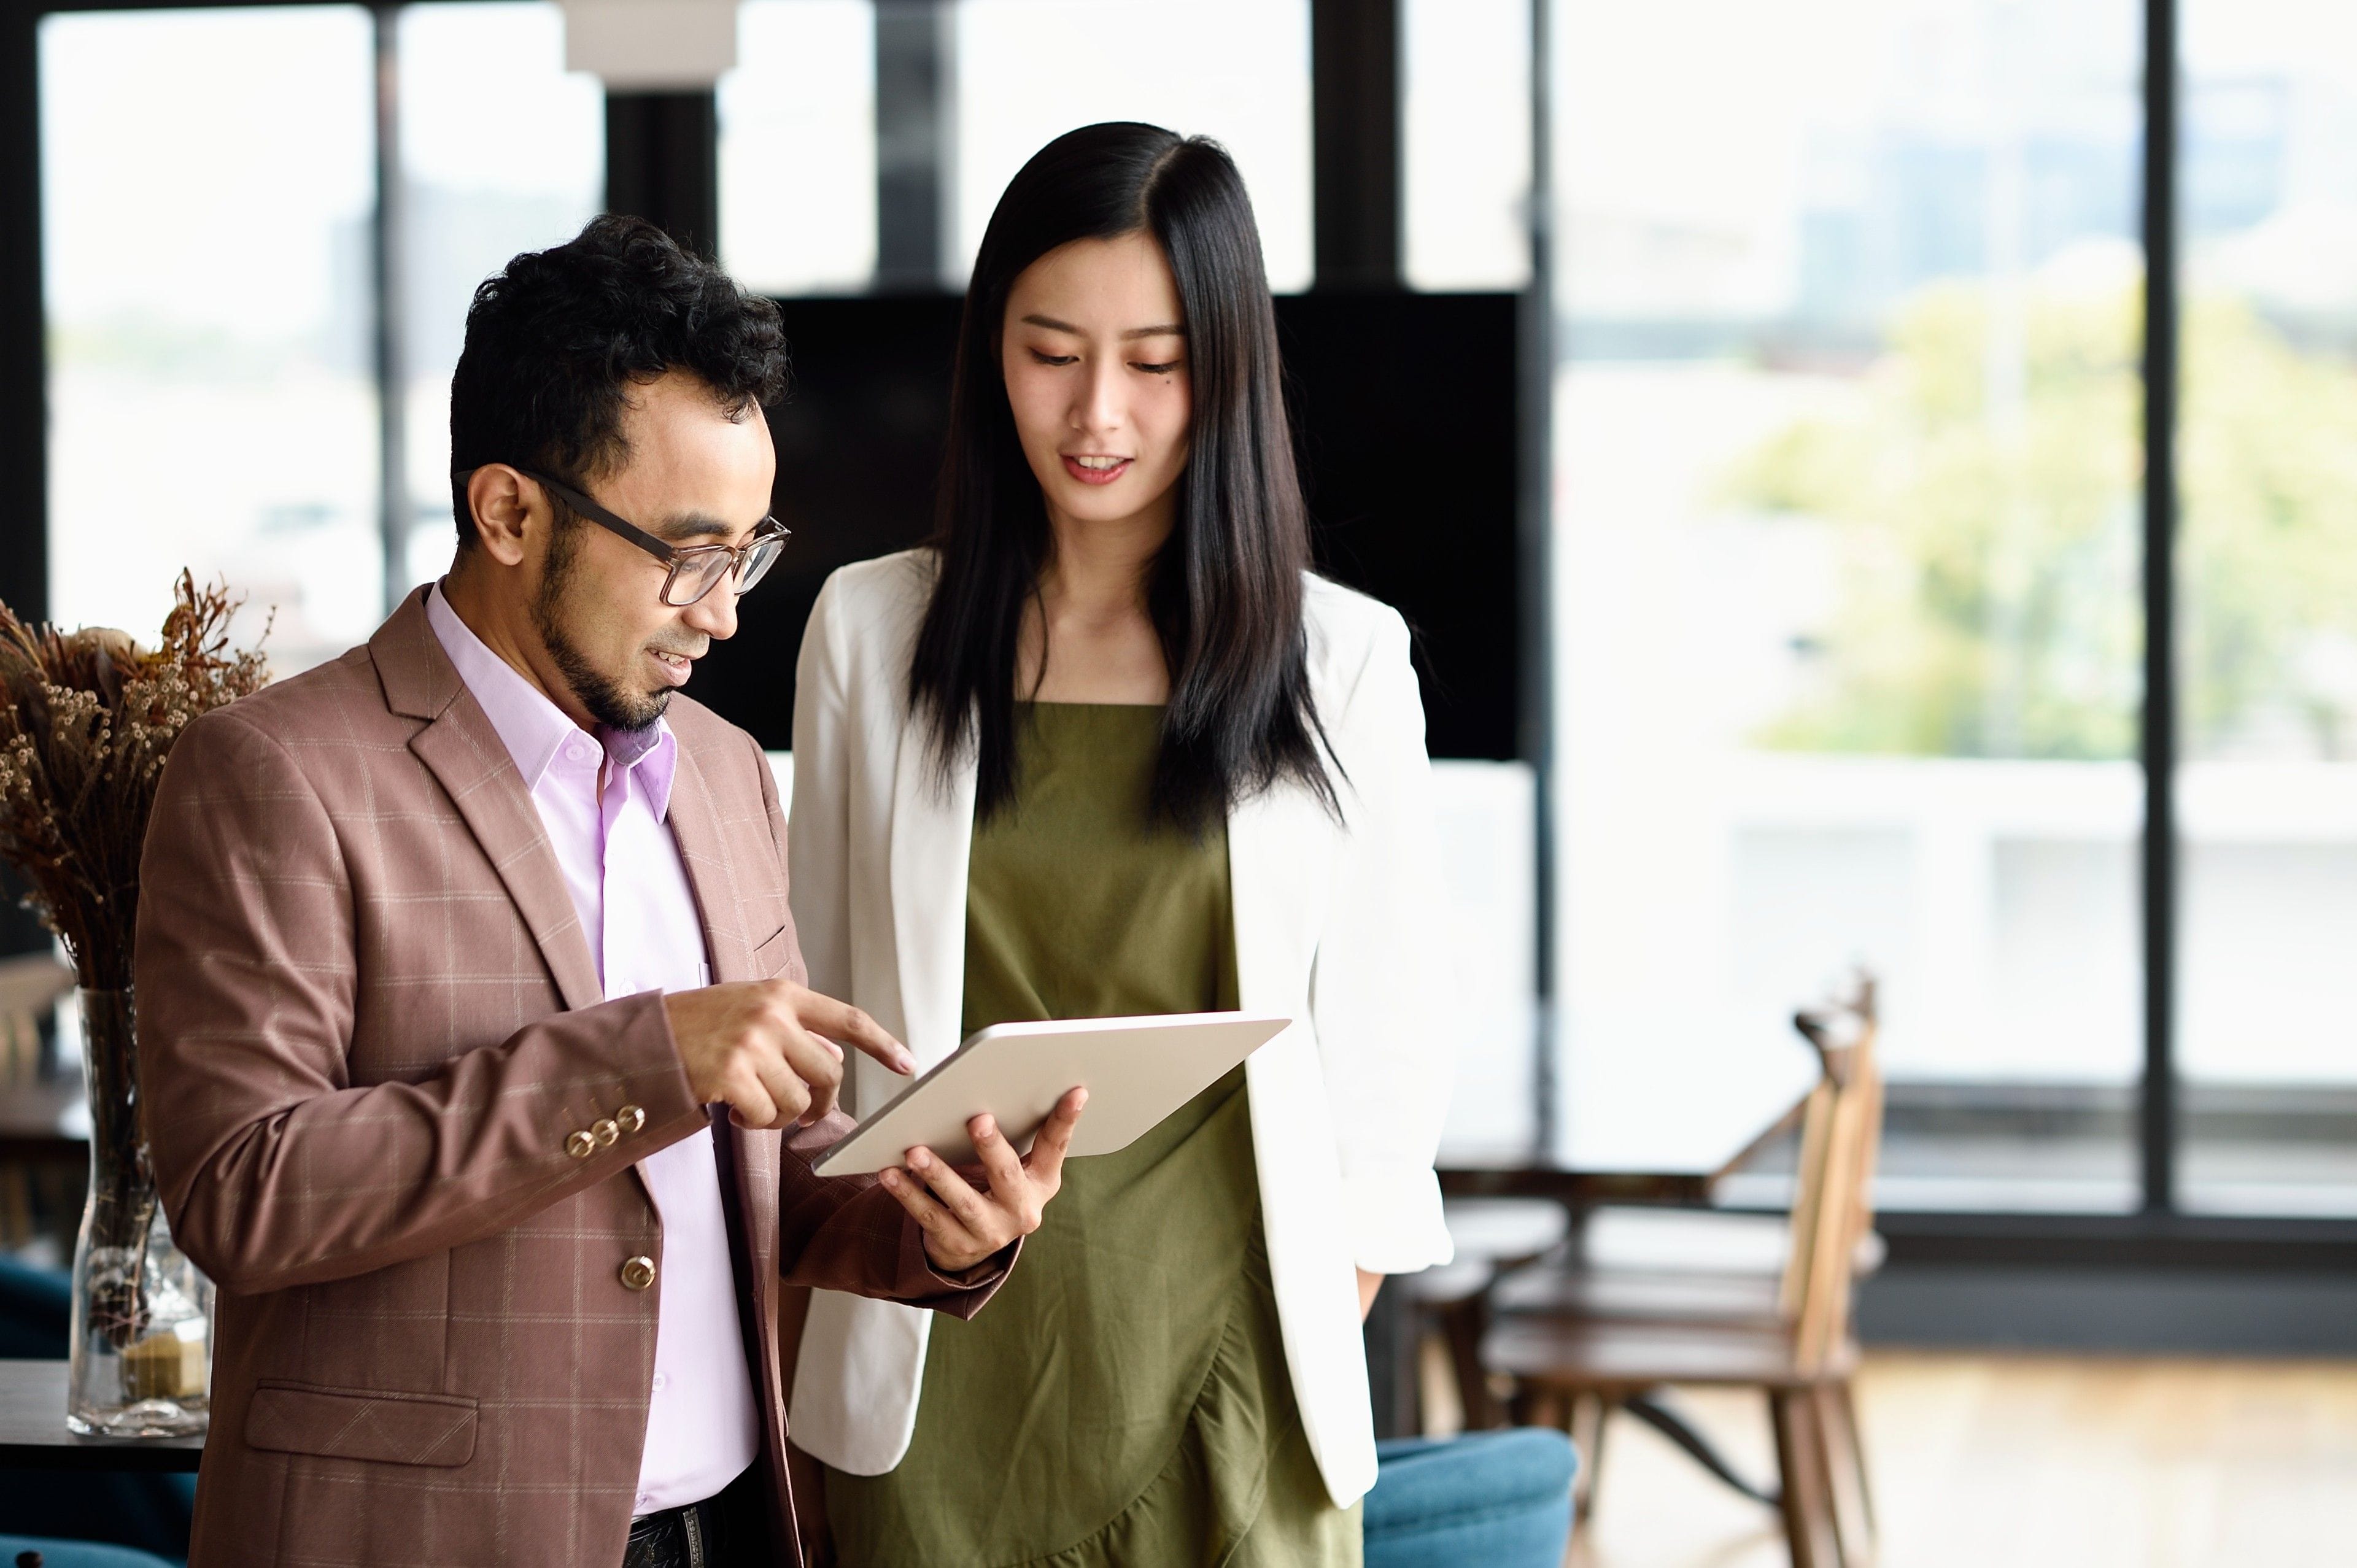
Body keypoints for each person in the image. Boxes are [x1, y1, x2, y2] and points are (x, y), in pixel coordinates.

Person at [134, 215, 1083, 1568]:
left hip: (727, 1531)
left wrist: (934, 1226)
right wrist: (644, 1058)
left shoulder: (724, 769)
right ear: (509, 511)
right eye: (690, 555)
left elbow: (761, 1164)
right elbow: (245, 1189)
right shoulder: (275, 774)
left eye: (749, 552)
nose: (726, 611)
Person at [786, 123, 1454, 1565]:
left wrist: (1287, 1329)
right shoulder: (869, 631)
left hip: (1233, 1370)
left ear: (1229, 373)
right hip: (932, 1370)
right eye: (1052, 352)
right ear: (989, 357)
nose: (1101, 413)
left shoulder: (1341, 660)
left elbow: (1385, 1076)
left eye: (1158, 363)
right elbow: (822, 1041)